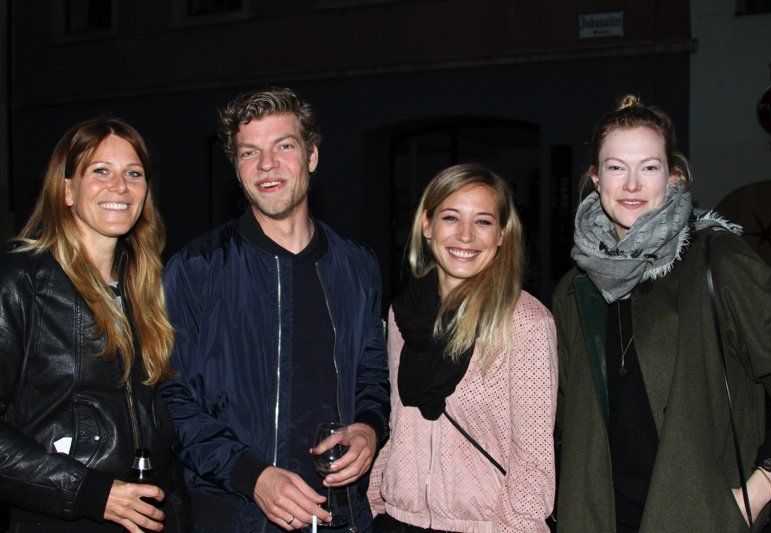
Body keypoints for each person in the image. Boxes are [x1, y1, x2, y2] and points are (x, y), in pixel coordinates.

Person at [553, 95, 771, 532]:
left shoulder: (717, 261)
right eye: (616, 167)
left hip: (703, 519)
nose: (632, 184)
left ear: (673, 177)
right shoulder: (575, 290)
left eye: (649, 167)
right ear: (595, 178)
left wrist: (758, 490)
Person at [160, 87, 390, 532]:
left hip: (341, 515)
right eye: (250, 152)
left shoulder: (357, 264)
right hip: (235, 516)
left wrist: (369, 427)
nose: (266, 165)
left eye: (283, 146)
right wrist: (252, 475)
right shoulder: (196, 268)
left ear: (311, 156)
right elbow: (171, 398)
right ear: (237, 168)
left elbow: (371, 373)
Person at [0, 118, 186, 532]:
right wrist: (89, 492)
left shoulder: (147, 289)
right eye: (101, 171)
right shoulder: (21, 282)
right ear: (67, 190)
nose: (120, 186)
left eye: (133, 174)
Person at [367, 163, 558, 532]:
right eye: (451, 217)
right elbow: (398, 423)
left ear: (502, 234)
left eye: (483, 221)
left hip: (487, 526)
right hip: (398, 519)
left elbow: (533, 462)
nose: (465, 235)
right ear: (427, 225)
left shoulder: (526, 322)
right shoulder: (403, 314)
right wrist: (376, 502)